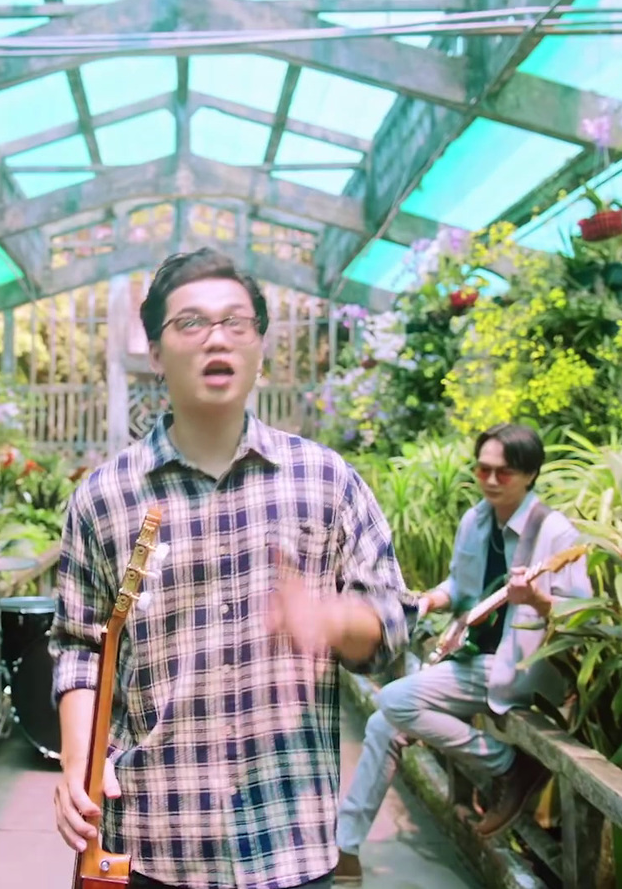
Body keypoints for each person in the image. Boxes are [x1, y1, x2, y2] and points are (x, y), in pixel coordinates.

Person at [49, 248, 411, 889]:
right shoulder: (104, 497)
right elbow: (80, 644)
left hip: (290, 839)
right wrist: (79, 760)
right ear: (156, 354)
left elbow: (392, 626)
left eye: (235, 322)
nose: (216, 337)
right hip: (155, 841)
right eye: (190, 322)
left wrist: (332, 620)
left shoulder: (325, 480)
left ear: (260, 347)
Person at [332, 423, 593, 884]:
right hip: (474, 662)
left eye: (504, 473)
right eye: (482, 469)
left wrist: (536, 601)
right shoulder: (476, 520)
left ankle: (506, 766)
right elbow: (462, 586)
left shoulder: (554, 534)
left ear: (530, 474)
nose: (491, 480)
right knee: (383, 723)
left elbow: (582, 617)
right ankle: (346, 848)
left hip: (525, 670)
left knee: (392, 700)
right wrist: (428, 600)